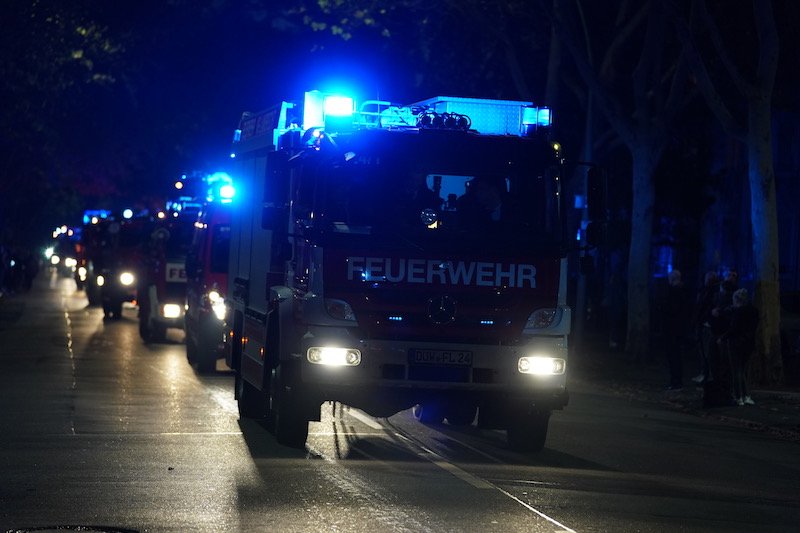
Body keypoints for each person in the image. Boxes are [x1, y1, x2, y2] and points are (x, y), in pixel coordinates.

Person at [717, 288, 759, 406]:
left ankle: (738, 396)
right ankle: (747, 396)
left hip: (736, 343)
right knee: (743, 370)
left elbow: (734, 329)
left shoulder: (738, 312)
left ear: (737, 300)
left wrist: (722, 338)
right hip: (749, 343)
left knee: (736, 371)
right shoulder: (754, 311)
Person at [662, 269, 691, 390]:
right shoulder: (683, 292)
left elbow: (671, 310)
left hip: (673, 329)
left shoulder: (675, 293)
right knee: (676, 356)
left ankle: (676, 381)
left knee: (674, 356)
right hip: (678, 329)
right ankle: (676, 380)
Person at [691, 271, 719, 383]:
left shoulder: (713, 293)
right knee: (703, 350)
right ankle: (705, 373)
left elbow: (706, 308)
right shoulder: (704, 291)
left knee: (708, 351)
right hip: (701, 323)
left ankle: (709, 375)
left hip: (707, 324)